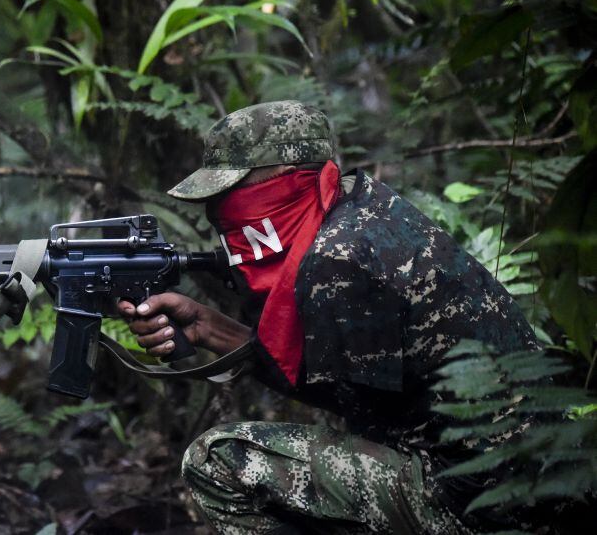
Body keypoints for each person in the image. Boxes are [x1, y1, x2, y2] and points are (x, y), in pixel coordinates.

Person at [117, 101, 540, 534]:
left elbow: (367, 426)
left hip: (483, 501)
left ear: (287, 177)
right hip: (529, 470)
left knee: (216, 461)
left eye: (233, 189)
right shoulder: (361, 203)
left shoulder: (337, 261)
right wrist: (211, 329)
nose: (220, 208)